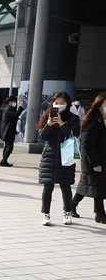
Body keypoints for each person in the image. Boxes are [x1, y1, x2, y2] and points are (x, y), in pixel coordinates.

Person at [36, 92, 80, 226]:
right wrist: (49, 124)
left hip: (66, 154)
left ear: (67, 104)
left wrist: (61, 123)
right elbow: (42, 136)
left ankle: (67, 212)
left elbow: (73, 135)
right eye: (56, 103)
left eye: (62, 103)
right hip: (49, 155)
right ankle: (46, 214)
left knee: (65, 186)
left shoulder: (73, 118)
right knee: (47, 187)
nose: (59, 105)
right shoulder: (48, 115)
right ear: (52, 103)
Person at [71, 92, 106, 223]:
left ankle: (72, 205)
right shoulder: (93, 122)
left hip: (101, 160)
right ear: (99, 106)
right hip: (92, 160)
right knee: (96, 186)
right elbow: (86, 145)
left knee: (90, 186)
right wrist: (95, 163)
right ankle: (100, 214)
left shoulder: (103, 121)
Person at [0, 95, 23, 167]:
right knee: (9, 147)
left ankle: (4, 160)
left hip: (9, 131)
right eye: (14, 101)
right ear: (10, 102)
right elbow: (15, 115)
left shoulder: (10, 109)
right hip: (7, 132)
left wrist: (15, 131)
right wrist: (20, 108)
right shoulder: (8, 109)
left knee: (7, 147)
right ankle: (3, 161)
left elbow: (12, 121)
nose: (14, 103)